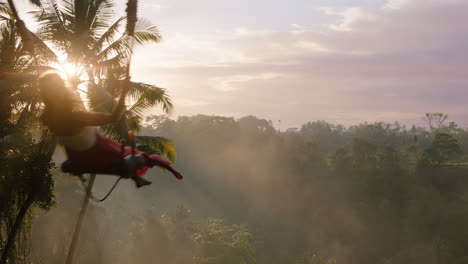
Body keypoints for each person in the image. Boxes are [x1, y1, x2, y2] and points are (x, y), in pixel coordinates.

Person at [39, 72, 183, 187]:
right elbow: (114, 117)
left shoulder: (47, 119)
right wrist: (124, 92)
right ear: (63, 91)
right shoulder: (76, 117)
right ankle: (135, 175)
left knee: (123, 155)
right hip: (96, 153)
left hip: (81, 157)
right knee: (137, 160)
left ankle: (136, 178)